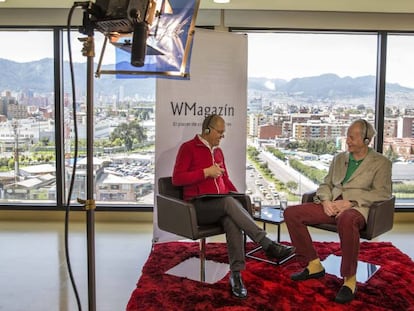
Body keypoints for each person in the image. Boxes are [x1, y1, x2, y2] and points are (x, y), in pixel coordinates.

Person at [172, 114, 295, 299]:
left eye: (223, 133)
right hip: (197, 207)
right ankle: (266, 244)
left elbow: (226, 180)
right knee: (229, 203)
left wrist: (242, 199)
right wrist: (205, 172)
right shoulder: (188, 148)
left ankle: (236, 275)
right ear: (207, 130)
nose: (222, 136)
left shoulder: (218, 153)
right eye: (219, 132)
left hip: (221, 205)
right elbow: (177, 179)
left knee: (232, 219)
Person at [284, 119, 392, 304]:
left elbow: (383, 192)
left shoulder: (381, 163)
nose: (347, 141)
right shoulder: (339, 159)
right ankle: (313, 264)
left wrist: (350, 202)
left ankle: (349, 279)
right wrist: (325, 200)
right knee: (291, 213)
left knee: (347, 219)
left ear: (366, 140)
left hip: (357, 209)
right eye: (347, 136)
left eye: (352, 137)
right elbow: (326, 183)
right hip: (332, 206)